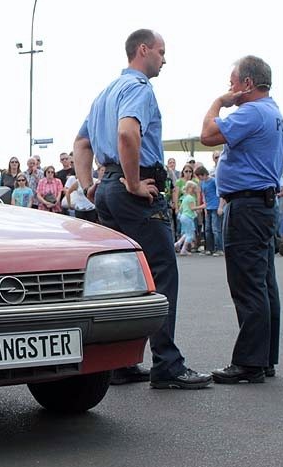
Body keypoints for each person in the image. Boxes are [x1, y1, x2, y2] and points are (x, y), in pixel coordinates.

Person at [73, 28, 210, 389]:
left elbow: (82, 142)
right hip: (133, 189)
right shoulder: (138, 88)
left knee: (120, 275)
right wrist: (133, 183)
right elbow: (127, 134)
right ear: (143, 50)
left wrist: (89, 184)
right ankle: (167, 364)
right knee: (161, 273)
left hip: (107, 188)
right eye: (162, 52)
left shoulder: (104, 93)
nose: (165, 59)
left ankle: (118, 362)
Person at [200, 54, 283, 385]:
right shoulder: (273, 111)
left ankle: (249, 362)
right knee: (264, 284)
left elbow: (208, 134)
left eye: (233, 82)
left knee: (247, 284)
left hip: (247, 205)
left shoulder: (251, 112)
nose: (230, 88)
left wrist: (219, 102)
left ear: (247, 83)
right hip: (262, 204)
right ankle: (264, 358)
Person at [195, 165, 221, 255]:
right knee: (207, 229)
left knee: (215, 229)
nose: (199, 178)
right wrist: (205, 207)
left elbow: (219, 193)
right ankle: (209, 248)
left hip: (215, 206)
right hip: (208, 207)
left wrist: (220, 206)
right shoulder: (202, 183)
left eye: (199, 176)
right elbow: (204, 195)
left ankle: (219, 248)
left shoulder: (213, 181)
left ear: (204, 174)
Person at [174, 180, 199, 255]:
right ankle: (184, 249)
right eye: (194, 189)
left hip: (183, 217)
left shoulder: (184, 198)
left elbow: (181, 208)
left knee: (186, 232)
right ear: (190, 189)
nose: (195, 191)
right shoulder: (191, 198)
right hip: (188, 217)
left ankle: (178, 243)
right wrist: (201, 206)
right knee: (190, 234)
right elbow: (192, 208)